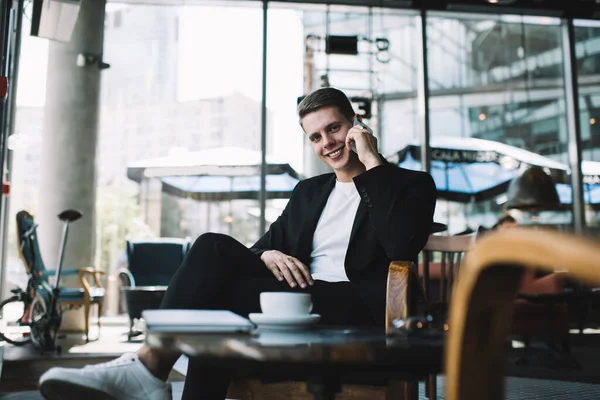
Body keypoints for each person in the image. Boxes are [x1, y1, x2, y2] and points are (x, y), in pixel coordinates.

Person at [38, 87, 437, 400]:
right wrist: (269, 253)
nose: (327, 143)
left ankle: (148, 370)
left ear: (356, 124)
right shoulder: (309, 192)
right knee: (214, 252)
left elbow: (401, 244)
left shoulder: (408, 184)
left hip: (360, 310)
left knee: (219, 288)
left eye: (334, 128)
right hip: (300, 299)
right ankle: (149, 367)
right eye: (315, 136)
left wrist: (371, 163)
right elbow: (255, 250)